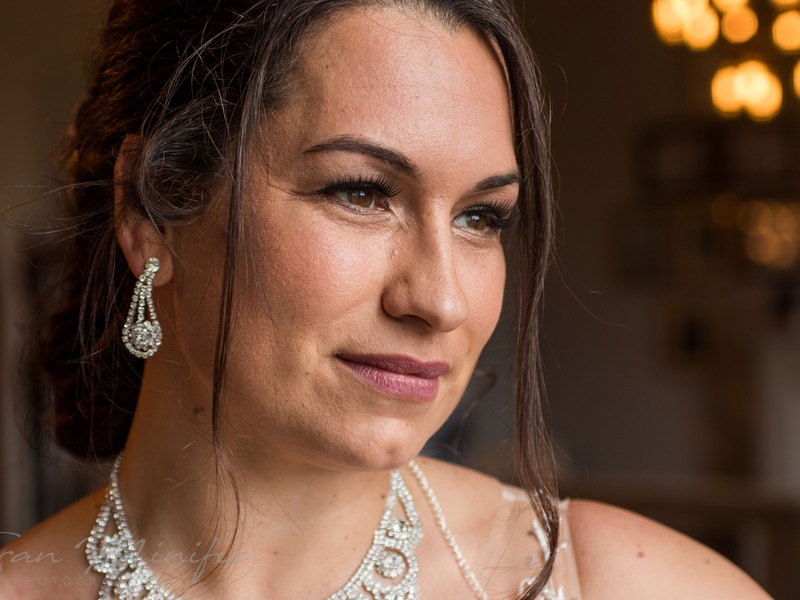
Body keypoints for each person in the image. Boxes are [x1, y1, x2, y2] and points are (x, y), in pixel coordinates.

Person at [0, 1, 772, 599]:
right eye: (362, 192)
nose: (439, 299)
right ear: (152, 206)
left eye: (481, 218)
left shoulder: (637, 587)